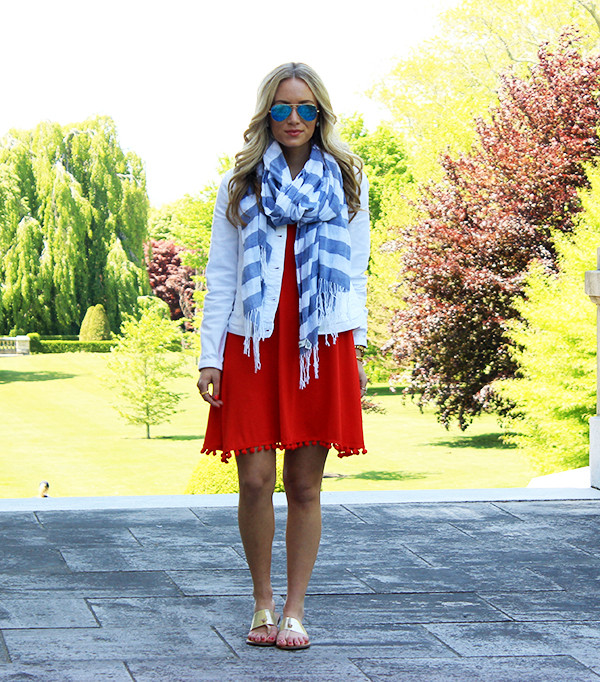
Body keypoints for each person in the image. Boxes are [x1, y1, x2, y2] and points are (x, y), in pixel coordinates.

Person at [197, 62, 370, 651]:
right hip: (253, 339)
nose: (292, 119)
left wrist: (360, 348)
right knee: (254, 478)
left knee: (304, 484)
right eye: (280, 108)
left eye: (303, 108)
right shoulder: (238, 184)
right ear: (265, 113)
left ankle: (295, 610)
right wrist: (209, 356)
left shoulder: (348, 179)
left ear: (319, 113)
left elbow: (354, 271)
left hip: (321, 341)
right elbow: (221, 275)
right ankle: (262, 602)